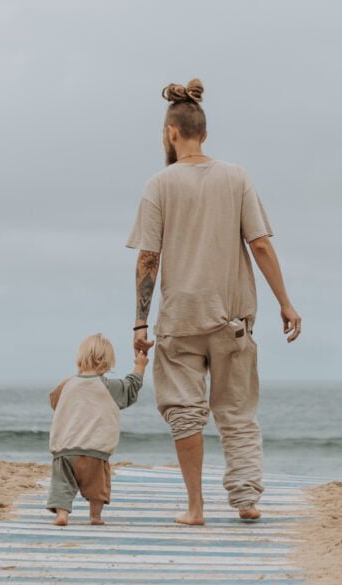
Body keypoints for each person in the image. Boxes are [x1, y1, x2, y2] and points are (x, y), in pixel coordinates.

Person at [126, 79, 302, 525]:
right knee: (237, 412)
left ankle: (195, 508)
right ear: (204, 131)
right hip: (232, 318)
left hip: (180, 319)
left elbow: (149, 258)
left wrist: (140, 323)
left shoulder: (158, 184)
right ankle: (245, 500)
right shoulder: (236, 176)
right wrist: (286, 302)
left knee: (185, 415)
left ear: (171, 133)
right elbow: (260, 245)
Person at [45, 333, 147, 526]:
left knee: (62, 485)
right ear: (107, 362)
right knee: (97, 486)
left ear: (80, 357)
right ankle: (95, 516)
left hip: (65, 449)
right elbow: (131, 387)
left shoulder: (66, 385)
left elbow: (54, 402)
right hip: (95, 451)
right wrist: (140, 365)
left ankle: (62, 514)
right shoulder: (109, 386)